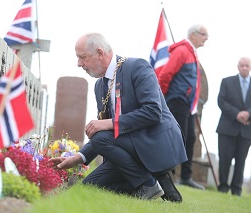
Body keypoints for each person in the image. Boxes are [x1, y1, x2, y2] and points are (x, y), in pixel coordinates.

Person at [49, 33, 187, 202]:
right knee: (90, 186)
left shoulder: (137, 67)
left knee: (100, 136)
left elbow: (153, 112)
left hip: (155, 142)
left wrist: (109, 123)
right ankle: (152, 178)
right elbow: (104, 133)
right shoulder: (100, 85)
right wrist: (78, 158)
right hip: (128, 150)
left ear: (100, 53)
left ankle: (148, 184)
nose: (79, 64)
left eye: (82, 57)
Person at [157, 24, 208, 190]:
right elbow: (165, 75)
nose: (206, 38)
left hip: (188, 104)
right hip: (177, 100)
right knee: (176, 138)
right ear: (193, 35)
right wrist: (163, 98)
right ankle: (168, 175)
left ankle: (186, 177)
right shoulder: (182, 51)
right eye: (203, 34)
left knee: (190, 138)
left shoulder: (192, 52)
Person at [216, 57, 251, 196]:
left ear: (250, 67)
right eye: (242, 65)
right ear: (238, 67)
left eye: (247, 66)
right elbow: (221, 101)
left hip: (247, 130)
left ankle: (237, 190)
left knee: (241, 161)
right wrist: (237, 114)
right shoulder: (227, 81)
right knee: (225, 159)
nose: (244, 68)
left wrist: (248, 113)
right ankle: (223, 188)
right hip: (227, 128)